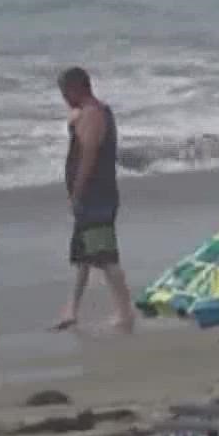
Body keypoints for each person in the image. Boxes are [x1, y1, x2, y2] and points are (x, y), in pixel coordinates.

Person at [54, 67, 135, 333]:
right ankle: (71, 309)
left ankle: (125, 311)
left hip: (96, 196)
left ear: (76, 88)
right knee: (84, 256)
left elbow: (88, 156)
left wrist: (77, 191)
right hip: (94, 196)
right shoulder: (89, 114)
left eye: (65, 93)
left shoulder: (92, 115)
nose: (64, 99)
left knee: (104, 255)